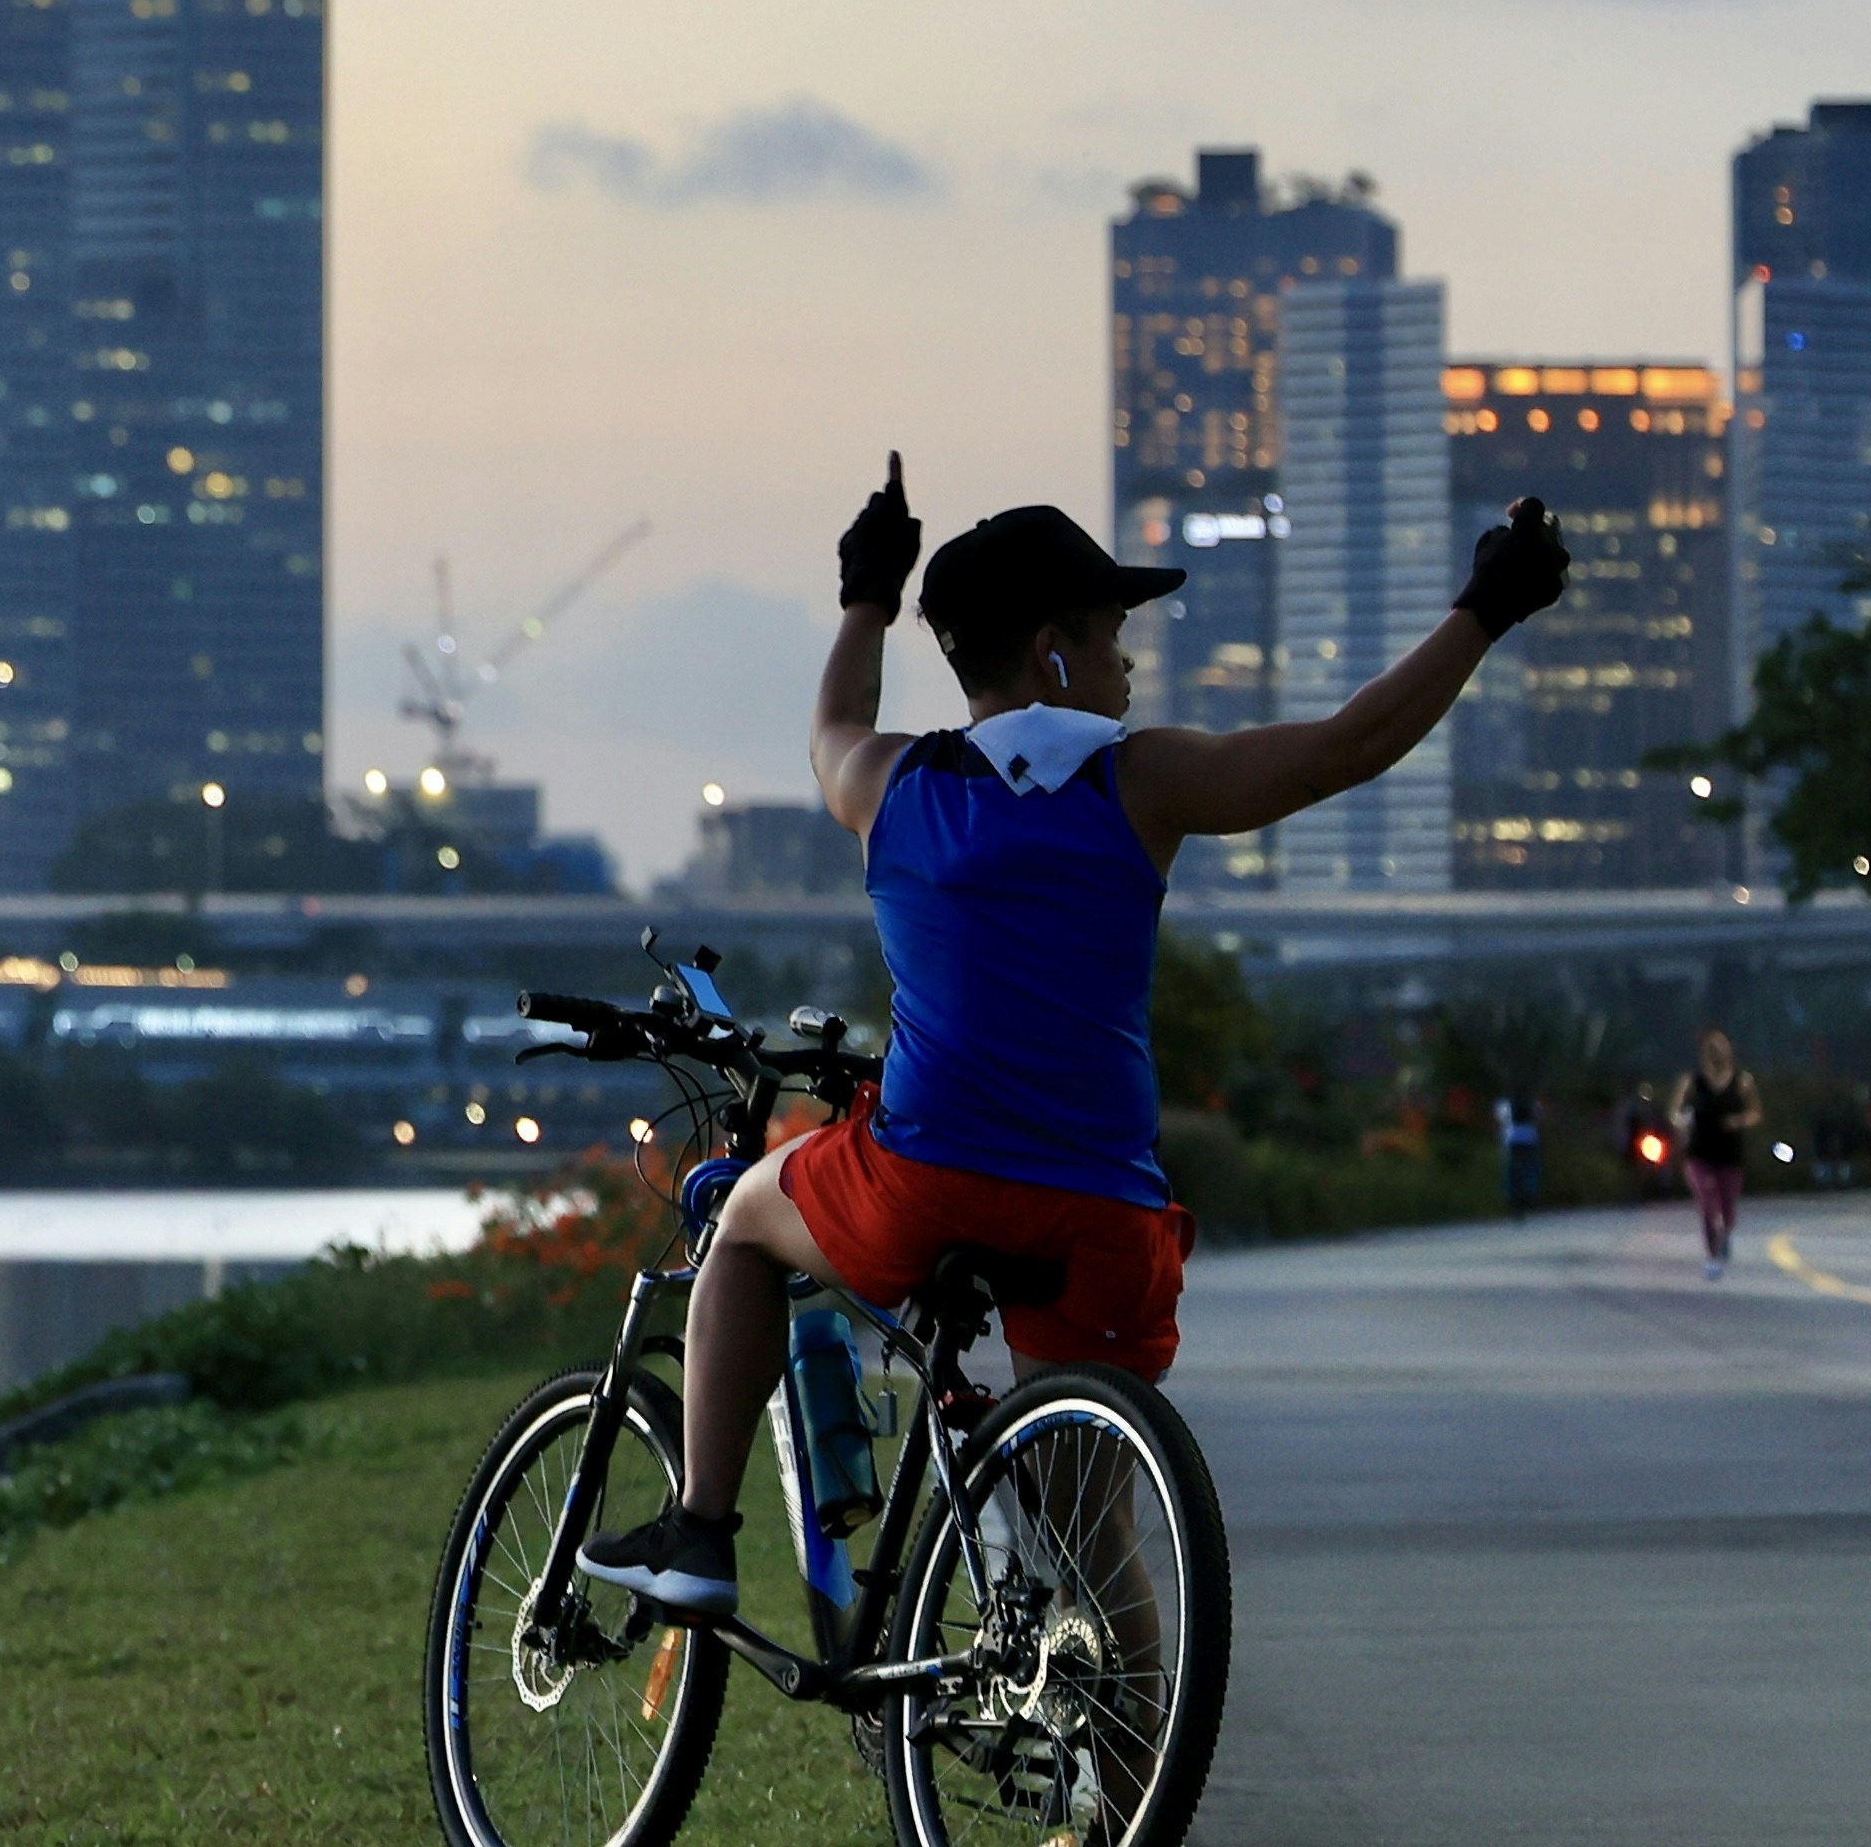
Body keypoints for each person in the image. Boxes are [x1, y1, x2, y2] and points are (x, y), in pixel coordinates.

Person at [576, 458, 1568, 1617]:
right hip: (1098, 1212)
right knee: (1099, 1545)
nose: (1129, 661)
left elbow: (830, 725)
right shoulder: (1139, 784)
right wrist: (1485, 609)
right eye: (1110, 634)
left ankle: (700, 1532)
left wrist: (867, 594)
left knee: (744, 1222)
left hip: (926, 1182)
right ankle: (1133, 1800)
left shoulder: (894, 784)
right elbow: (1350, 745)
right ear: (1053, 650)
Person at [1672, 1031, 1762, 1277]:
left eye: (1720, 1048)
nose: (1715, 1054)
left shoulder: (1743, 1082)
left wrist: (1739, 1121)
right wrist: (1682, 1121)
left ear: (1729, 1051)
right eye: (1710, 1048)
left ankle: (1725, 1235)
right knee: (1707, 1204)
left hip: (1730, 1155)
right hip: (1699, 1153)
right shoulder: (1692, 1081)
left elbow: (1755, 1112)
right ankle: (1712, 1255)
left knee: (1727, 1208)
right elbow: (1676, 1111)